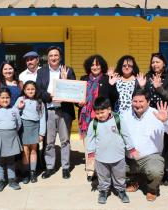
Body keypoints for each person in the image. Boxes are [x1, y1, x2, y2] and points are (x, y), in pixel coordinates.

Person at [122, 89, 168, 201]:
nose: (137, 104)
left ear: (148, 102)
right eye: (135, 101)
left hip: (150, 157)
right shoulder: (125, 115)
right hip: (129, 157)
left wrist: (166, 120)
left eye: (141, 101)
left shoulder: (157, 115)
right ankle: (132, 181)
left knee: (155, 172)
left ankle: (152, 189)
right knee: (112, 166)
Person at [86, 97, 138, 204]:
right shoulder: (94, 123)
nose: (100, 115)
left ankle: (121, 190)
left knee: (119, 175)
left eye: (102, 112)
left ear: (109, 109)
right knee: (103, 176)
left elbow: (126, 134)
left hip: (118, 156)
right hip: (101, 158)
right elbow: (90, 139)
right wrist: (91, 154)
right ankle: (103, 191)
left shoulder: (118, 119)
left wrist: (131, 149)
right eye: (97, 113)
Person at [36, 46, 76, 179]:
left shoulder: (68, 70)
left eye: (56, 55)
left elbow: (74, 90)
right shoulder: (41, 71)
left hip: (64, 111)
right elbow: (38, 91)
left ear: (60, 57)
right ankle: (49, 167)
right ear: (48, 58)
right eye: (51, 55)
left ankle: (65, 167)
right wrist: (50, 97)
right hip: (49, 111)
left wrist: (65, 80)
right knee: (49, 141)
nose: (53, 58)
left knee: (65, 141)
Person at [78, 54, 118, 182]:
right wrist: (77, 103)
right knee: (89, 145)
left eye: (97, 64)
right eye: (92, 64)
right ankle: (90, 171)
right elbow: (78, 97)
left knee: (101, 144)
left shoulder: (107, 79)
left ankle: (101, 170)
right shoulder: (83, 78)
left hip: (101, 117)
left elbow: (114, 98)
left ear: (102, 66)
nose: (95, 67)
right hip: (86, 118)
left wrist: (112, 85)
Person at [142, 53, 168, 186]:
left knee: (165, 144)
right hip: (149, 115)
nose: (155, 64)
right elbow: (143, 95)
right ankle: (150, 169)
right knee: (151, 142)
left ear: (164, 63)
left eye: (158, 62)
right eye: (153, 62)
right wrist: (142, 86)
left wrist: (158, 88)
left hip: (164, 115)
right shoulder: (147, 77)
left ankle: (165, 170)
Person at [14, 81, 46, 184]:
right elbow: (14, 112)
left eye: (32, 89)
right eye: (28, 89)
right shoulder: (21, 99)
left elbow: (42, 117)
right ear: (24, 90)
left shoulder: (40, 102)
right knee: (25, 151)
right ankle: (26, 172)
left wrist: (42, 133)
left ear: (36, 90)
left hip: (35, 127)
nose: (30, 91)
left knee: (34, 150)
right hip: (24, 127)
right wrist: (18, 107)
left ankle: (33, 172)